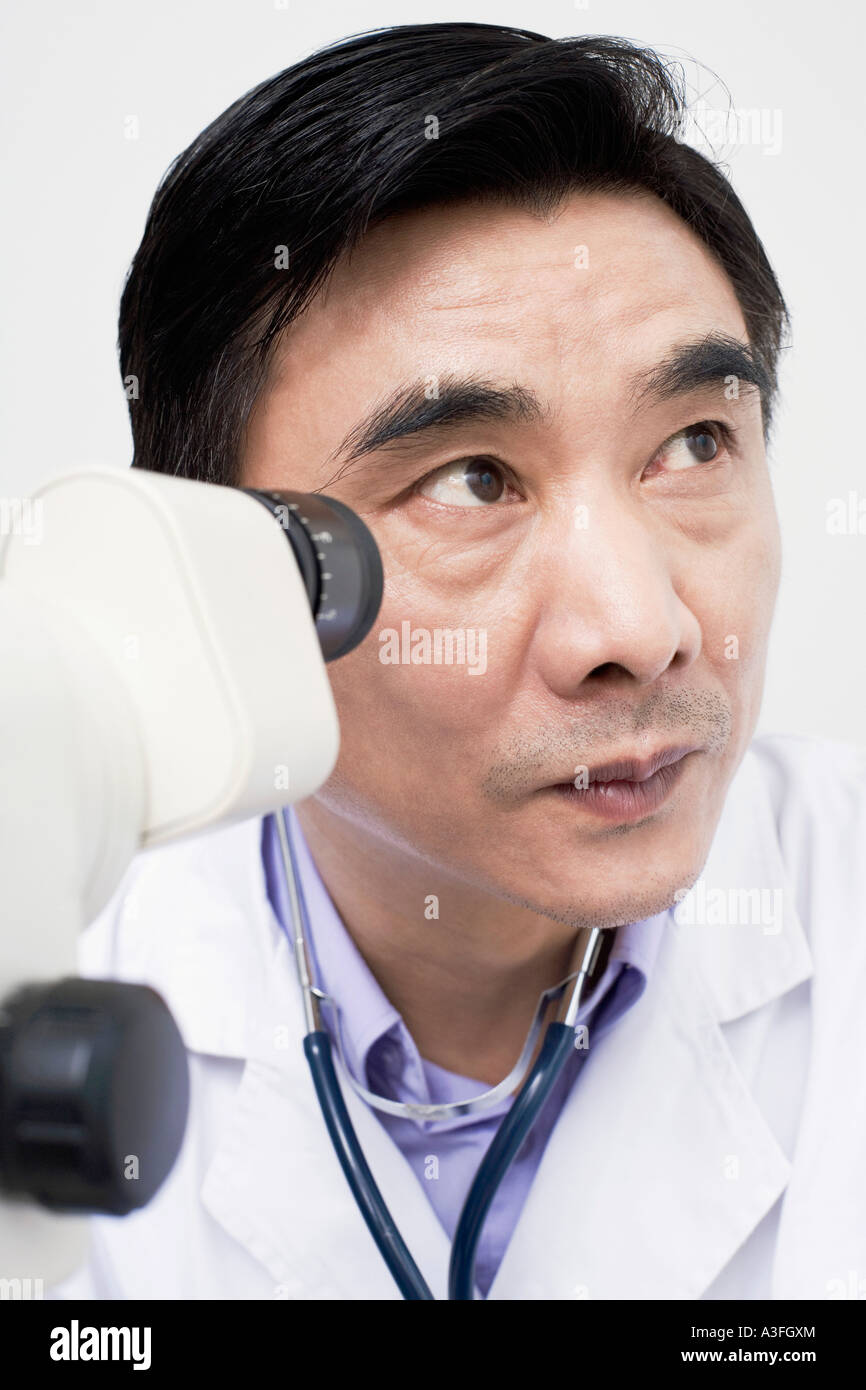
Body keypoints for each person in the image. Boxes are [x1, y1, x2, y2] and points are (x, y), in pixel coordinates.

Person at [49, 21, 866, 1300]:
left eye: (694, 444)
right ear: (221, 567)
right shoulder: (50, 960)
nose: (639, 629)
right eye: (472, 479)